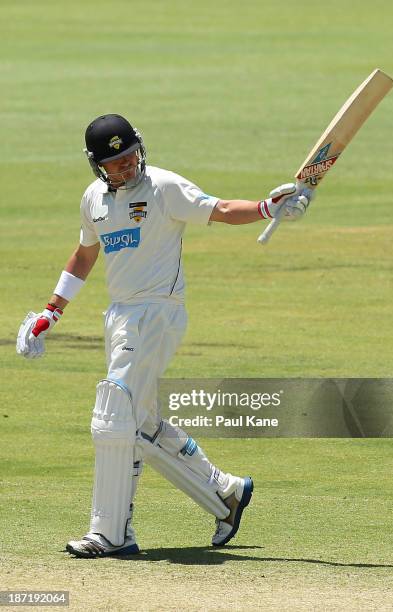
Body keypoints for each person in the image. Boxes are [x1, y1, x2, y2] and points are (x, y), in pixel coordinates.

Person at [16, 114, 313, 558]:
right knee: (142, 424)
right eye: (114, 163)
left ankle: (111, 533)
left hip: (158, 312)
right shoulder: (93, 199)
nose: (126, 167)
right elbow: (84, 252)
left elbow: (222, 209)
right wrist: (52, 311)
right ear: (97, 166)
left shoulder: (164, 187)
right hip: (119, 316)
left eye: (130, 155)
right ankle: (225, 494)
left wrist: (268, 208)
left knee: (115, 410)